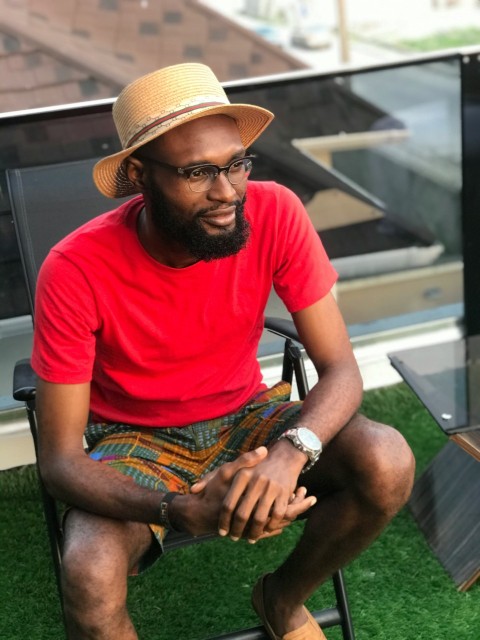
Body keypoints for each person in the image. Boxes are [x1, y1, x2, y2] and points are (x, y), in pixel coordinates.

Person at [32, 62, 415, 640]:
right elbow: (60, 462)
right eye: (197, 172)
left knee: (387, 458)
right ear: (139, 175)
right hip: (137, 441)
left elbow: (341, 371)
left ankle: (281, 600)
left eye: (236, 163)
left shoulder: (276, 211)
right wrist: (178, 508)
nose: (226, 191)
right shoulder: (73, 268)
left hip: (249, 417)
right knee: (88, 571)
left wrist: (289, 455)